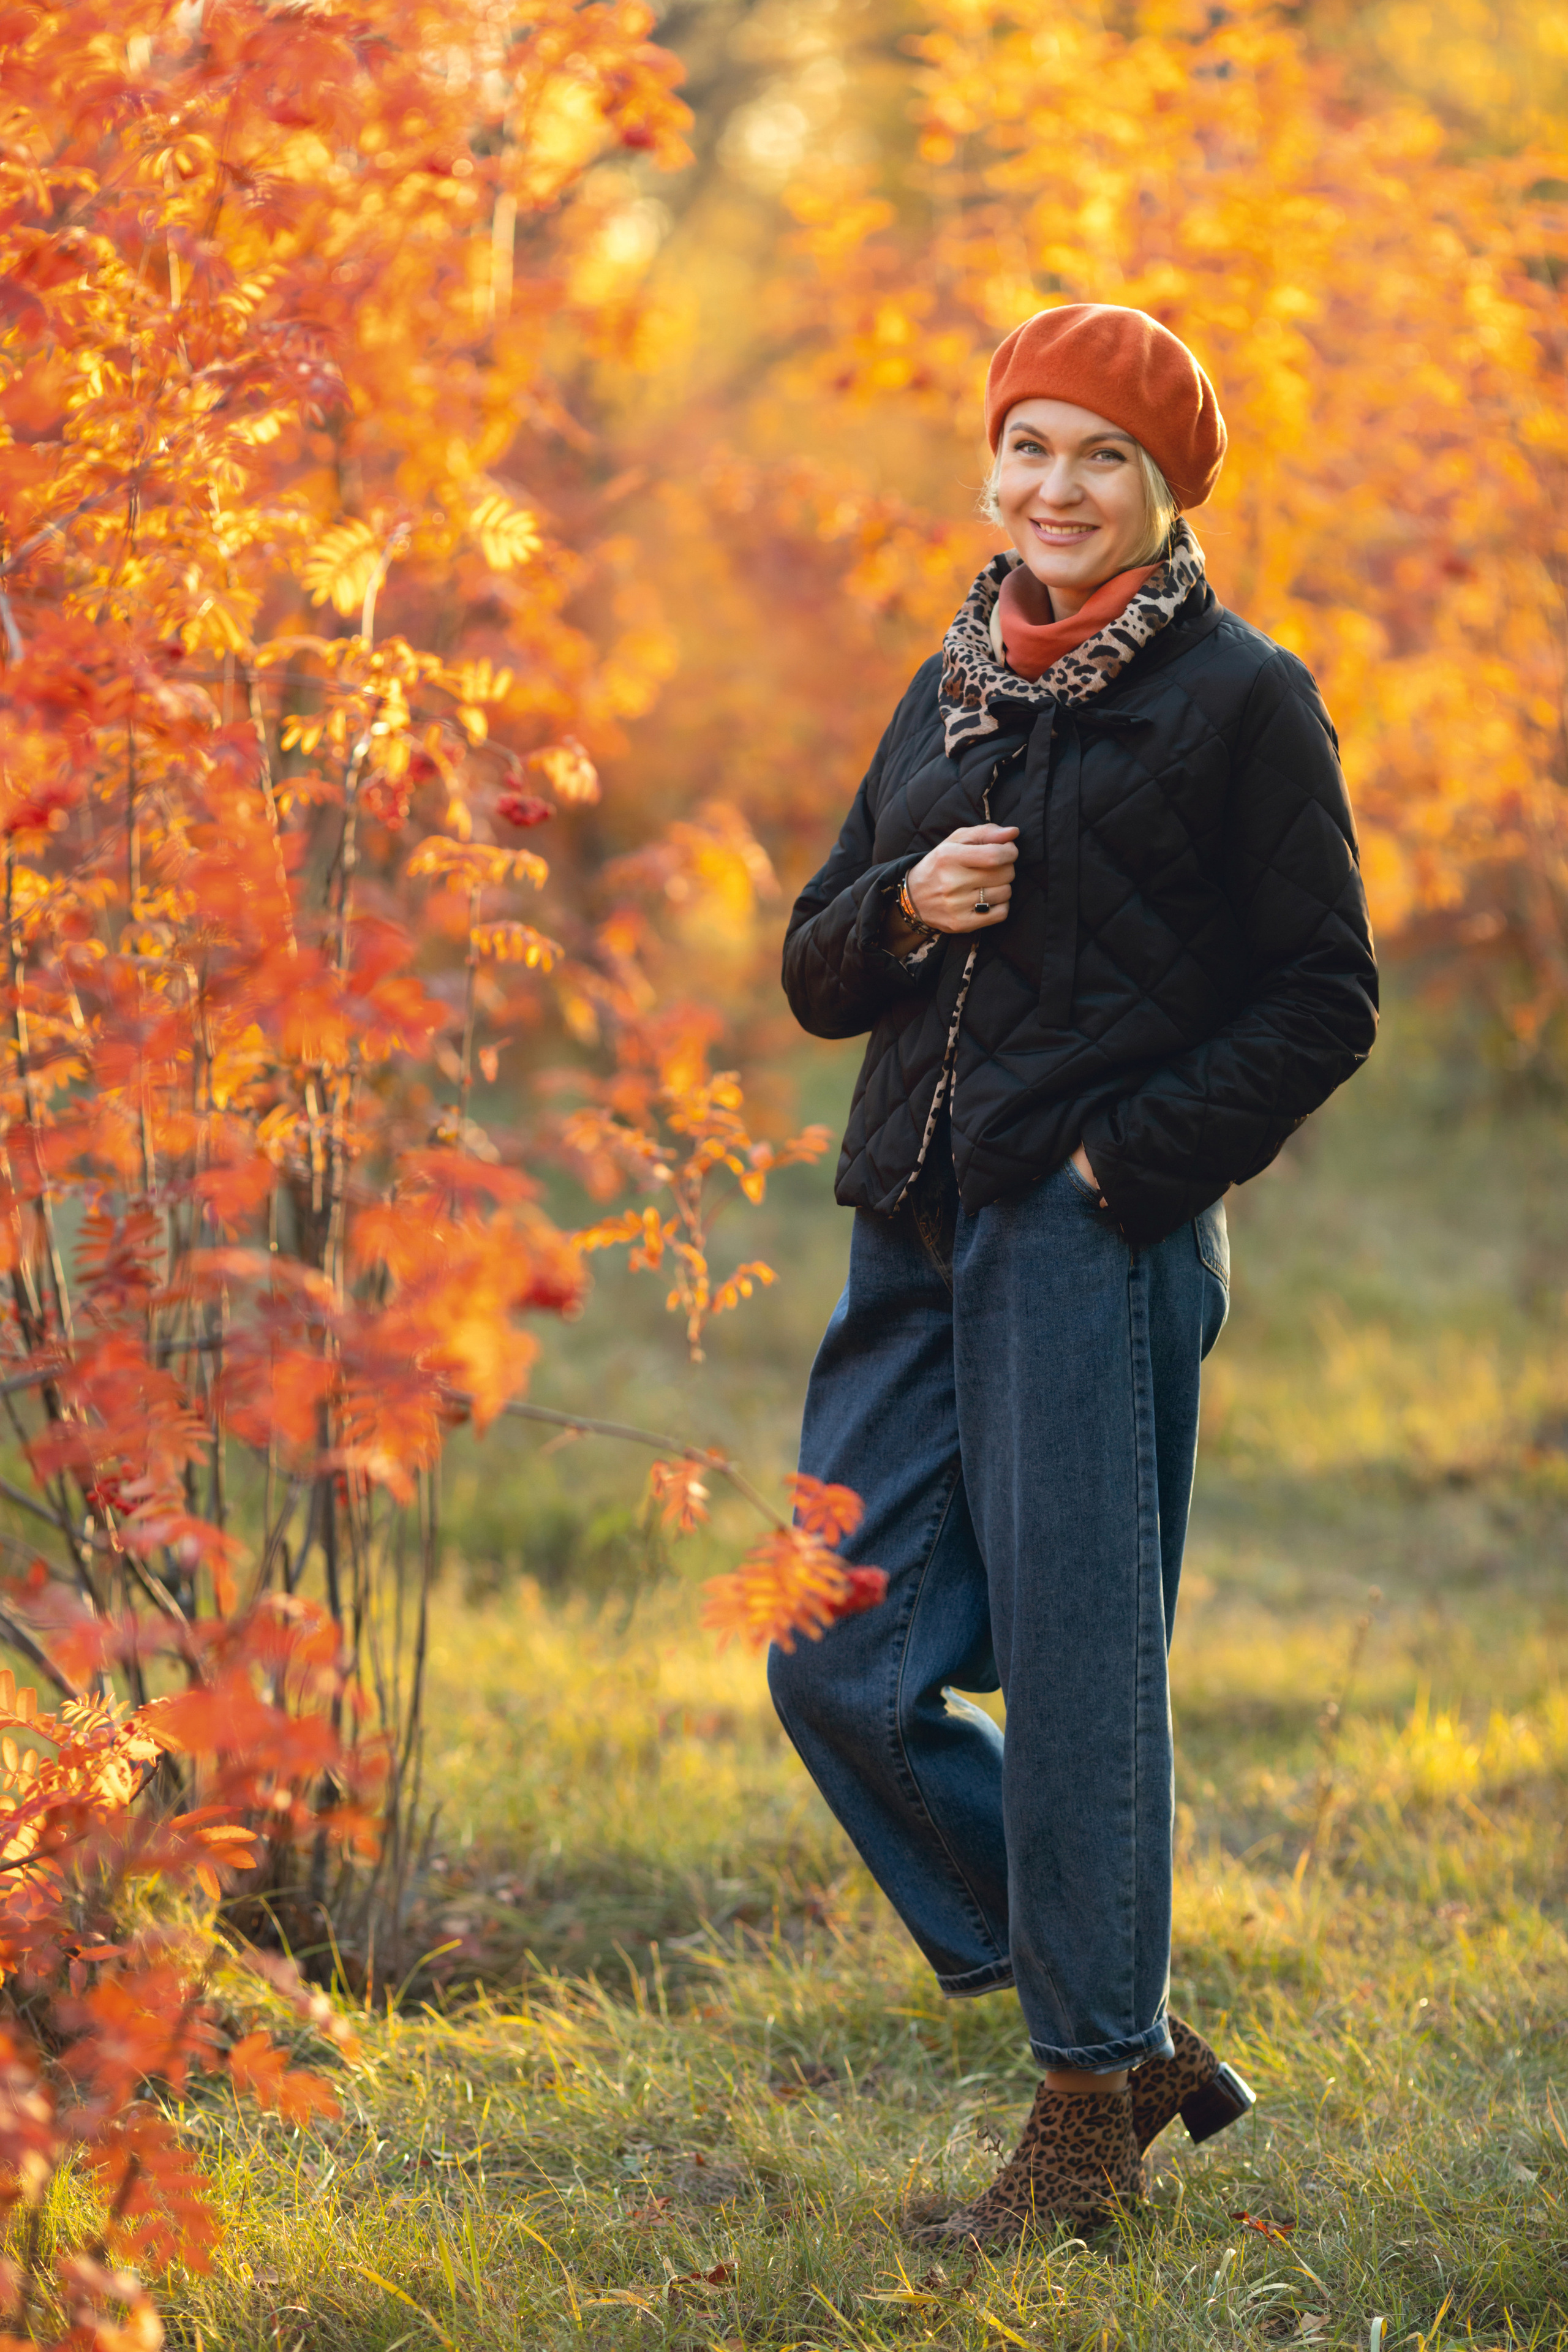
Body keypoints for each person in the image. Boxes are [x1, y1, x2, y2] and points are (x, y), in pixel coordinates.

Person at [771, 304, 1378, 2243]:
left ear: (1164, 488)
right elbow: (812, 966)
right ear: (989, 464)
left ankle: (1082, 2131)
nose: (1054, 485)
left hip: (1087, 1236)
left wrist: (1127, 1165)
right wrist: (901, 901)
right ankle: (1132, 2042)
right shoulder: (945, 685)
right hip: (914, 1226)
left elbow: (1324, 1000)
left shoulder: (1239, 698)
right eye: (1028, 444)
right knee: (833, 1657)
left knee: (1085, 1687)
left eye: (1098, 456)